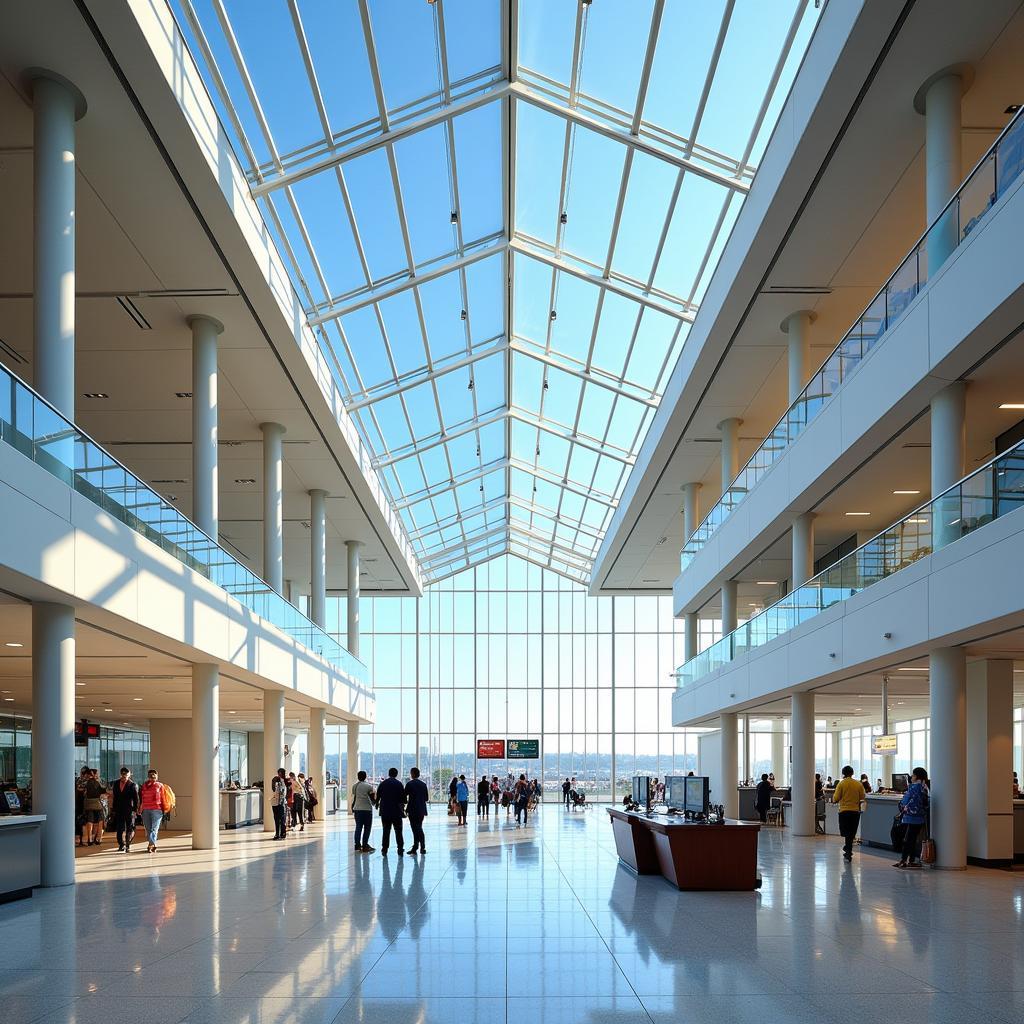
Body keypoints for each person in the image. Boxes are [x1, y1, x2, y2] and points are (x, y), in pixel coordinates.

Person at [895, 766, 929, 869]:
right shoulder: (924, 787)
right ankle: (911, 860)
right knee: (912, 839)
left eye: (913, 775)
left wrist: (900, 805)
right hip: (920, 817)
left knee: (908, 839)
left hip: (911, 817)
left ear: (917, 776)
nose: (911, 777)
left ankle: (904, 860)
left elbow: (905, 801)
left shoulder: (913, 788)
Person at [832, 765, 866, 862]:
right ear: (852, 773)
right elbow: (862, 797)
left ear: (843, 773)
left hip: (844, 811)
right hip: (855, 811)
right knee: (852, 832)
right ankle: (848, 849)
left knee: (846, 832)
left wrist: (836, 800)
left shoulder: (841, 784)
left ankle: (848, 850)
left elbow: (836, 798)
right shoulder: (858, 784)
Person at [377, 767, 406, 856]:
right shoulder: (399, 784)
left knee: (386, 830)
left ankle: (384, 849)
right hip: (396, 811)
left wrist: (377, 804)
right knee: (398, 831)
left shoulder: (383, 784)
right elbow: (403, 799)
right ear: (396, 774)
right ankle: (400, 848)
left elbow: (378, 796)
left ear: (389, 774)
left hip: (385, 811)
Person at [110, 766, 139, 853]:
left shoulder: (132, 785)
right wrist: (113, 808)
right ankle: (121, 844)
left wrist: (135, 810)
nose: (124, 777)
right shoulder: (116, 783)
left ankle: (127, 845)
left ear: (129, 775)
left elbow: (136, 798)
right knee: (119, 827)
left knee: (129, 827)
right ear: (120, 774)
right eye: (122, 775)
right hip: (118, 809)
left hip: (129, 809)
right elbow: (115, 797)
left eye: (126, 775)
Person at [140, 768, 166, 853]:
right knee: (148, 829)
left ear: (156, 776)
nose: (152, 777)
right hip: (146, 809)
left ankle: (150, 845)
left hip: (156, 810)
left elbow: (163, 798)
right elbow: (142, 798)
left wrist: (164, 809)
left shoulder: (160, 785)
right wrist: (140, 808)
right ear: (148, 776)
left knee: (154, 829)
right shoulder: (144, 785)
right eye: (151, 775)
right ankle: (153, 844)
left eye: (154, 775)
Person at [405, 766, 429, 855]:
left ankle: (418, 847)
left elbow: (404, 796)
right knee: (418, 827)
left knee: (415, 828)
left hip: (412, 809)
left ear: (413, 774)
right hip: (421, 809)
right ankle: (419, 847)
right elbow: (426, 798)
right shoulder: (423, 784)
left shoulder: (409, 784)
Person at [351, 770, 377, 852]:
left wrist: (353, 807)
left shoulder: (354, 786)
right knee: (367, 827)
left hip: (357, 809)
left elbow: (355, 798)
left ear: (358, 777)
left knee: (358, 827)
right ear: (365, 777)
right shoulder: (369, 786)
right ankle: (365, 845)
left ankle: (357, 845)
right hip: (366, 809)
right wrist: (376, 803)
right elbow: (372, 799)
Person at [82, 768, 106, 847]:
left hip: (88, 804)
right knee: (100, 820)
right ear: (94, 774)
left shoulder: (85, 782)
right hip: (97, 804)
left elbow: (80, 789)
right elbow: (103, 790)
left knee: (90, 821)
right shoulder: (98, 782)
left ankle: (90, 839)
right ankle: (98, 838)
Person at [270, 768, 289, 840]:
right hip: (275, 802)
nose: (280, 775)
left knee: (282, 819)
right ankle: (277, 833)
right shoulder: (275, 780)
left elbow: (284, 792)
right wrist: (275, 782)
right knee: (276, 819)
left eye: (282, 773)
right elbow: (273, 790)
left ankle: (282, 833)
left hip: (282, 802)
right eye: (279, 773)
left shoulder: (285, 781)